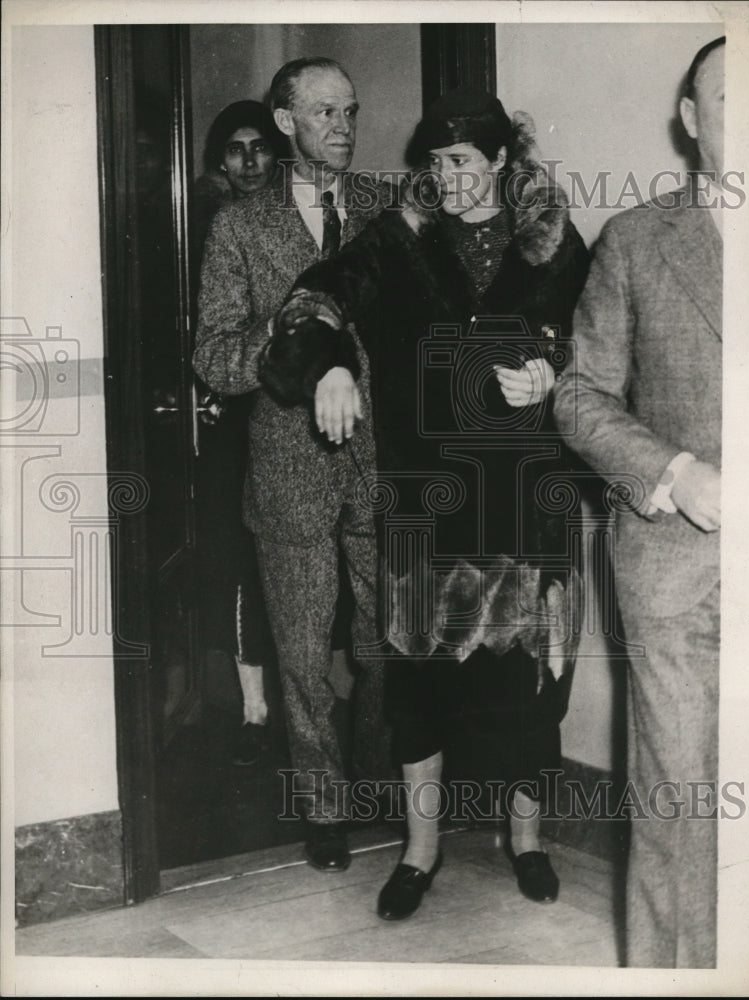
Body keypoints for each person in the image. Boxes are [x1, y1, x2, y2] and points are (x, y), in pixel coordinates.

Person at [265, 88, 590, 920]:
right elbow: (315, 298)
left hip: (525, 494)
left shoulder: (553, 242)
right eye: (435, 162)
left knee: (529, 678)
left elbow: (600, 344)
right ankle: (419, 850)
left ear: (502, 161)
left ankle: (527, 841)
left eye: (462, 162)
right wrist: (329, 364)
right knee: (418, 680)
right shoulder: (397, 239)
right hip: (423, 497)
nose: (444, 177)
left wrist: (553, 375)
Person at [193, 57, 393, 872]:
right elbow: (212, 353)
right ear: (285, 122)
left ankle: (381, 780)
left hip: (382, 471)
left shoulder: (385, 212)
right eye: (323, 112)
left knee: (387, 643)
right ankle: (324, 807)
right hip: (288, 470)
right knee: (304, 652)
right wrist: (290, 344)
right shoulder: (240, 227)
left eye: (350, 110)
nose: (342, 126)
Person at [552, 38, 724, 967]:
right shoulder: (637, 239)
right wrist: (674, 471)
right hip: (680, 570)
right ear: (692, 123)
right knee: (681, 808)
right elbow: (577, 396)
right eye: (735, 100)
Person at [192, 101, 283, 766]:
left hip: (285, 408)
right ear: (219, 159)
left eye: (260, 147)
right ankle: (252, 706)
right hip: (227, 415)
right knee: (240, 556)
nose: (249, 160)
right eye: (235, 149)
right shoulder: (203, 224)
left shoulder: (293, 221)